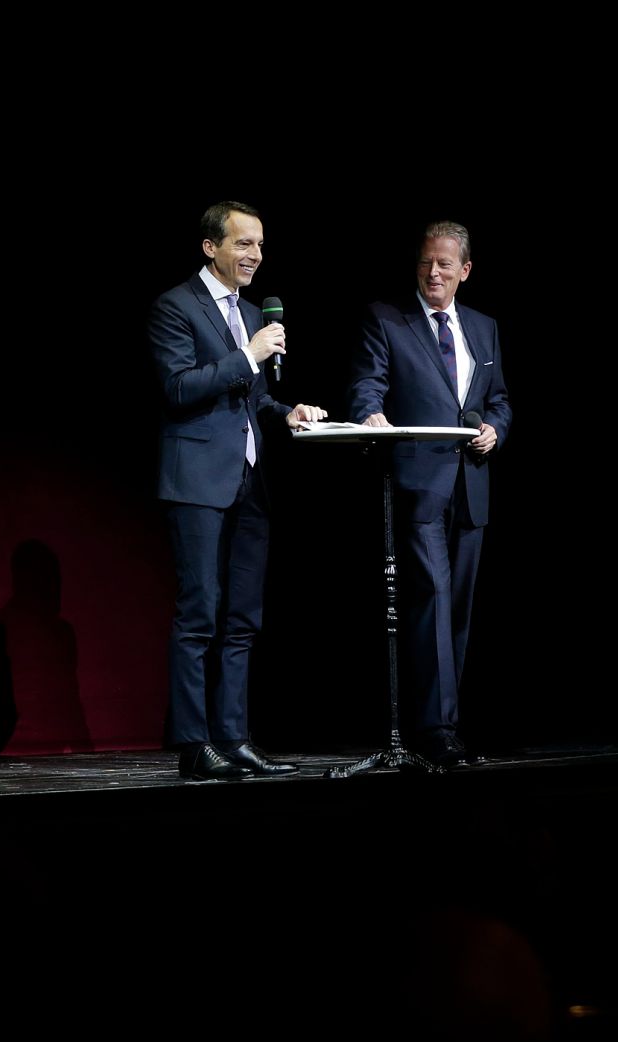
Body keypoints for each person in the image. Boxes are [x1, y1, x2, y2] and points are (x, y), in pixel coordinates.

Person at [148, 200, 328, 780]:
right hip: (198, 478)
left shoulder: (252, 311)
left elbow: (255, 399)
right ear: (211, 247)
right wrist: (247, 355)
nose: (254, 255)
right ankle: (195, 744)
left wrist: (288, 411)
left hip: (251, 480)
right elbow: (178, 389)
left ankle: (234, 735)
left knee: (244, 617)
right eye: (243, 244)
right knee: (200, 610)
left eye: (259, 245)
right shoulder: (175, 306)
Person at [346, 221, 511, 769]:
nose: (433, 272)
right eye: (425, 263)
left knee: (458, 609)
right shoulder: (387, 318)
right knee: (432, 599)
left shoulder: (484, 328)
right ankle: (435, 729)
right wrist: (370, 411)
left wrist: (495, 428)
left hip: (472, 486)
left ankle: (445, 722)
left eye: (444, 264)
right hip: (420, 484)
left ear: (465, 271)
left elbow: (500, 400)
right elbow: (367, 381)